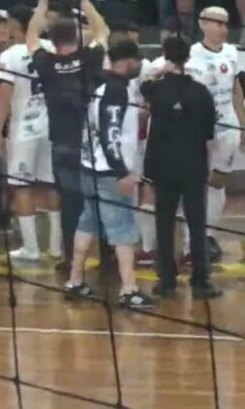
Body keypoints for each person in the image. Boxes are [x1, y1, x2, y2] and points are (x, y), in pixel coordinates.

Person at [66, 39, 154, 310]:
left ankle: (75, 281)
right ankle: (128, 289)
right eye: (137, 61)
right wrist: (122, 172)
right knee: (123, 229)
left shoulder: (101, 87)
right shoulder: (116, 91)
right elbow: (110, 132)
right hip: (109, 173)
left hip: (89, 167)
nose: (139, 66)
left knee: (87, 222)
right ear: (126, 61)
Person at [27, 0, 110, 267]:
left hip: (61, 143)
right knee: (100, 200)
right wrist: (87, 4)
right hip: (92, 143)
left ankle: (69, 258)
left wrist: (41, 4)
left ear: (53, 38)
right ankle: (108, 257)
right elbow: (103, 33)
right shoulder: (89, 59)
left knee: (70, 203)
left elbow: (31, 38)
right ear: (77, 35)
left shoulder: (46, 63)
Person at [141, 36, 222, 300]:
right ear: (189, 58)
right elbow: (210, 135)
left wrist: (162, 70)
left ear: (165, 55)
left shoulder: (155, 90)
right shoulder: (201, 92)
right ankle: (201, 280)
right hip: (193, 164)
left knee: (164, 223)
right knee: (196, 223)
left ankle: (166, 279)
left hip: (162, 165)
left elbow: (143, 86)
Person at [0, 6, 61, 261]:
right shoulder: (51, 48)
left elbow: (3, 97)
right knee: (52, 183)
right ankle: (56, 247)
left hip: (23, 129)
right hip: (52, 126)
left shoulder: (10, 56)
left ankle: (31, 248)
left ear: (16, 25)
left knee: (22, 185)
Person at [185, 7, 245, 262]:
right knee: (196, 183)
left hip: (227, 125)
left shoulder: (232, 52)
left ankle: (208, 234)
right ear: (202, 24)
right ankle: (192, 240)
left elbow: (236, 89)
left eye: (226, 23)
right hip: (200, 130)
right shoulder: (192, 54)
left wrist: (243, 124)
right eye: (218, 23)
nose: (223, 28)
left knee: (219, 180)